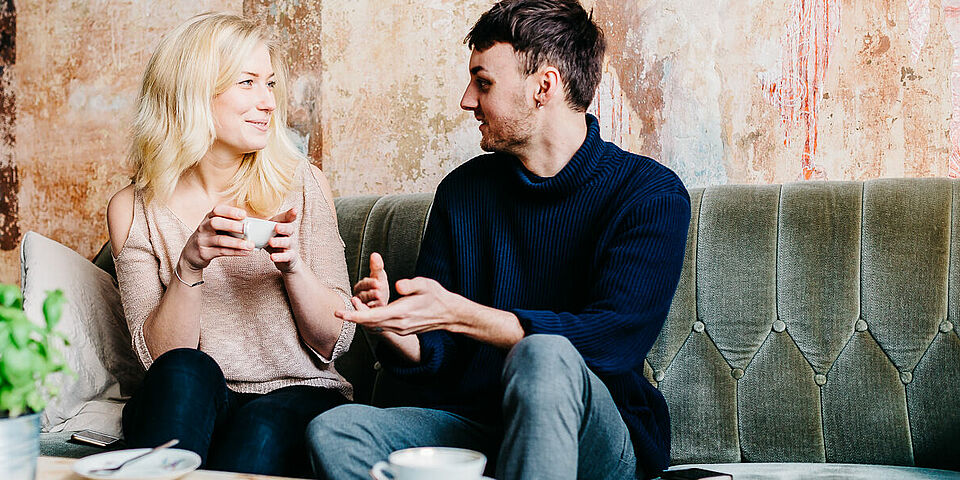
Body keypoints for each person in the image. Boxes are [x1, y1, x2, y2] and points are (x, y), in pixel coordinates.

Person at [306, 1, 690, 479]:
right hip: (480, 425)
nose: (467, 99)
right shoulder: (463, 192)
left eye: (483, 82)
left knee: (544, 355)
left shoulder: (648, 193)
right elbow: (442, 352)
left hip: (593, 436)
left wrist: (462, 313)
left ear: (543, 87)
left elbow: (613, 342)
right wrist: (397, 330)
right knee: (337, 432)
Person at [106, 12, 356, 477]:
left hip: (299, 390)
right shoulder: (134, 209)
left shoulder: (302, 183)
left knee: (260, 428)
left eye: (270, 84)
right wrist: (190, 266)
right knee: (185, 371)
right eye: (247, 83)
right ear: (193, 92)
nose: (268, 102)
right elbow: (158, 360)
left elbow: (334, 340)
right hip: (194, 396)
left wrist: (294, 267)